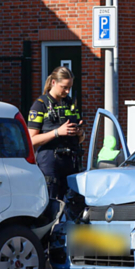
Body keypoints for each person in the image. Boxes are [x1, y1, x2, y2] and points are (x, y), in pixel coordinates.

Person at [27, 67, 82, 201]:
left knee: (74, 204)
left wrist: (80, 133)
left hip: (70, 160)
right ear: (53, 83)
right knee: (50, 202)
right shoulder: (40, 105)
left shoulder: (71, 104)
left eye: (70, 87)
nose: (67, 91)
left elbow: (80, 139)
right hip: (49, 161)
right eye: (64, 87)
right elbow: (31, 139)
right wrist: (57, 132)